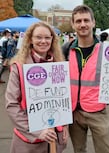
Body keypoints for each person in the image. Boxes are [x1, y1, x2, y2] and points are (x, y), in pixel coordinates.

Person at [67, 5, 109, 153]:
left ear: (93, 23)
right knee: (78, 150)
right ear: (73, 24)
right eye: (78, 21)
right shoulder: (66, 50)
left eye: (86, 20)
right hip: (73, 113)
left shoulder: (106, 51)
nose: (83, 24)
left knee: (105, 150)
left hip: (97, 111)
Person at [5, 22, 69, 153]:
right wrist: (37, 131)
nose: (43, 41)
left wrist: (65, 125)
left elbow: (63, 100)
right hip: (29, 141)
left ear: (52, 39)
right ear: (30, 39)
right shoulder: (19, 66)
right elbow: (12, 105)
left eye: (47, 37)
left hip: (54, 137)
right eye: (38, 37)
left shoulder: (59, 65)